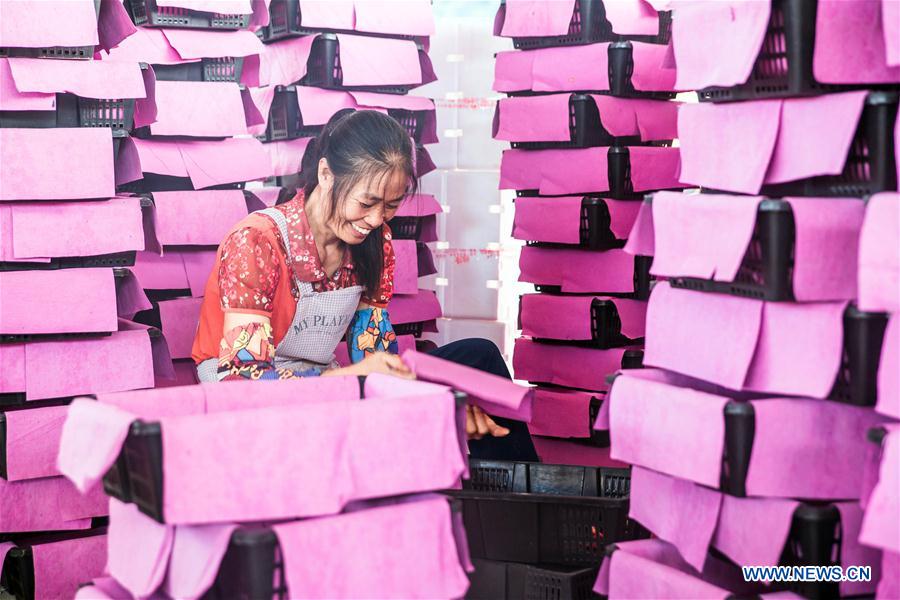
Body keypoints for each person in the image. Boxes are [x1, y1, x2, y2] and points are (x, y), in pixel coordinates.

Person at [191, 109, 537, 461]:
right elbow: (244, 382)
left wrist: (439, 402)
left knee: (479, 358)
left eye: (390, 206)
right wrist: (355, 381)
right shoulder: (257, 240)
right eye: (367, 202)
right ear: (326, 174)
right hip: (249, 399)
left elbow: (373, 358)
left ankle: (522, 497)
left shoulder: (374, 242)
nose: (375, 220)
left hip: (330, 387)